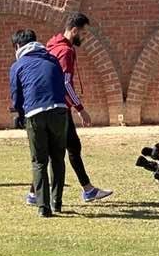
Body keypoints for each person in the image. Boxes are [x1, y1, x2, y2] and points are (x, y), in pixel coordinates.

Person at [23, 12, 112, 206]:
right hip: (60, 107)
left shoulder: (51, 46)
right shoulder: (65, 51)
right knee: (61, 150)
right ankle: (82, 191)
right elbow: (65, 82)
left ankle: (87, 189)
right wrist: (80, 108)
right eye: (83, 33)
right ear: (74, 30)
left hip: (48, 105)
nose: (84, 38)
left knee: (61, 149)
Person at [9, 29, 69, 217]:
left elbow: (16, 96)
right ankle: (57, 202)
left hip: (35, 113)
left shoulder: (18, 65)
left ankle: (43, 207)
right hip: (59, 110)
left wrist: (19, 114)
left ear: (17, 46)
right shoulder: (52, 59)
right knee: (58, 157)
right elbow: (61, 84)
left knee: (39, 160)